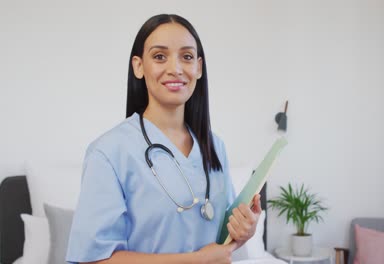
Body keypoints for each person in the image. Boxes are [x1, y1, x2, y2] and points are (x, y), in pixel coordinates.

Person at [66, 14, 261, 264]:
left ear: (198, 68)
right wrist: (197, 260)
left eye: (187, 57)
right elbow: (93, 260)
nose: (175, 69)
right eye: (159, 56)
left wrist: (245, 230)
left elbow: (222, 237)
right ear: (138, 66)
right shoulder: (109, 152)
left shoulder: (214, 146)